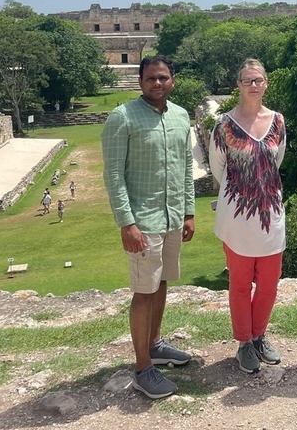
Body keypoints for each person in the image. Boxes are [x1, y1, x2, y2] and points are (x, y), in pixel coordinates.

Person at [102, 55, 196, 400]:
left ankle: (154, 344)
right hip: (144, 220)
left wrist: (188, 212)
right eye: (151, 78)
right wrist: (127, 222)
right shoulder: (123, 117)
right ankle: (143, 368)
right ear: (140, 81)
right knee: (144, 292)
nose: (158, 83)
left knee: (161, 282)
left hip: (172, 217)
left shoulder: (179, 115)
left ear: (173, 80)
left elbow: (185, 167)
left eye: (164, 78)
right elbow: (113, 174)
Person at [209, 59, 287, 374]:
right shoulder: (224, 125)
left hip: (270, 214)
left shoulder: (278, 121)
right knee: (240, 283)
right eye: (247, 80)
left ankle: (259, 335)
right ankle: (244, 342)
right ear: (238, 86)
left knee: (269, 284)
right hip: (237, 218)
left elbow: (275, 161)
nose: (253, 85)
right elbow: (219, 168)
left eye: (258, 80)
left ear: (266, 83)